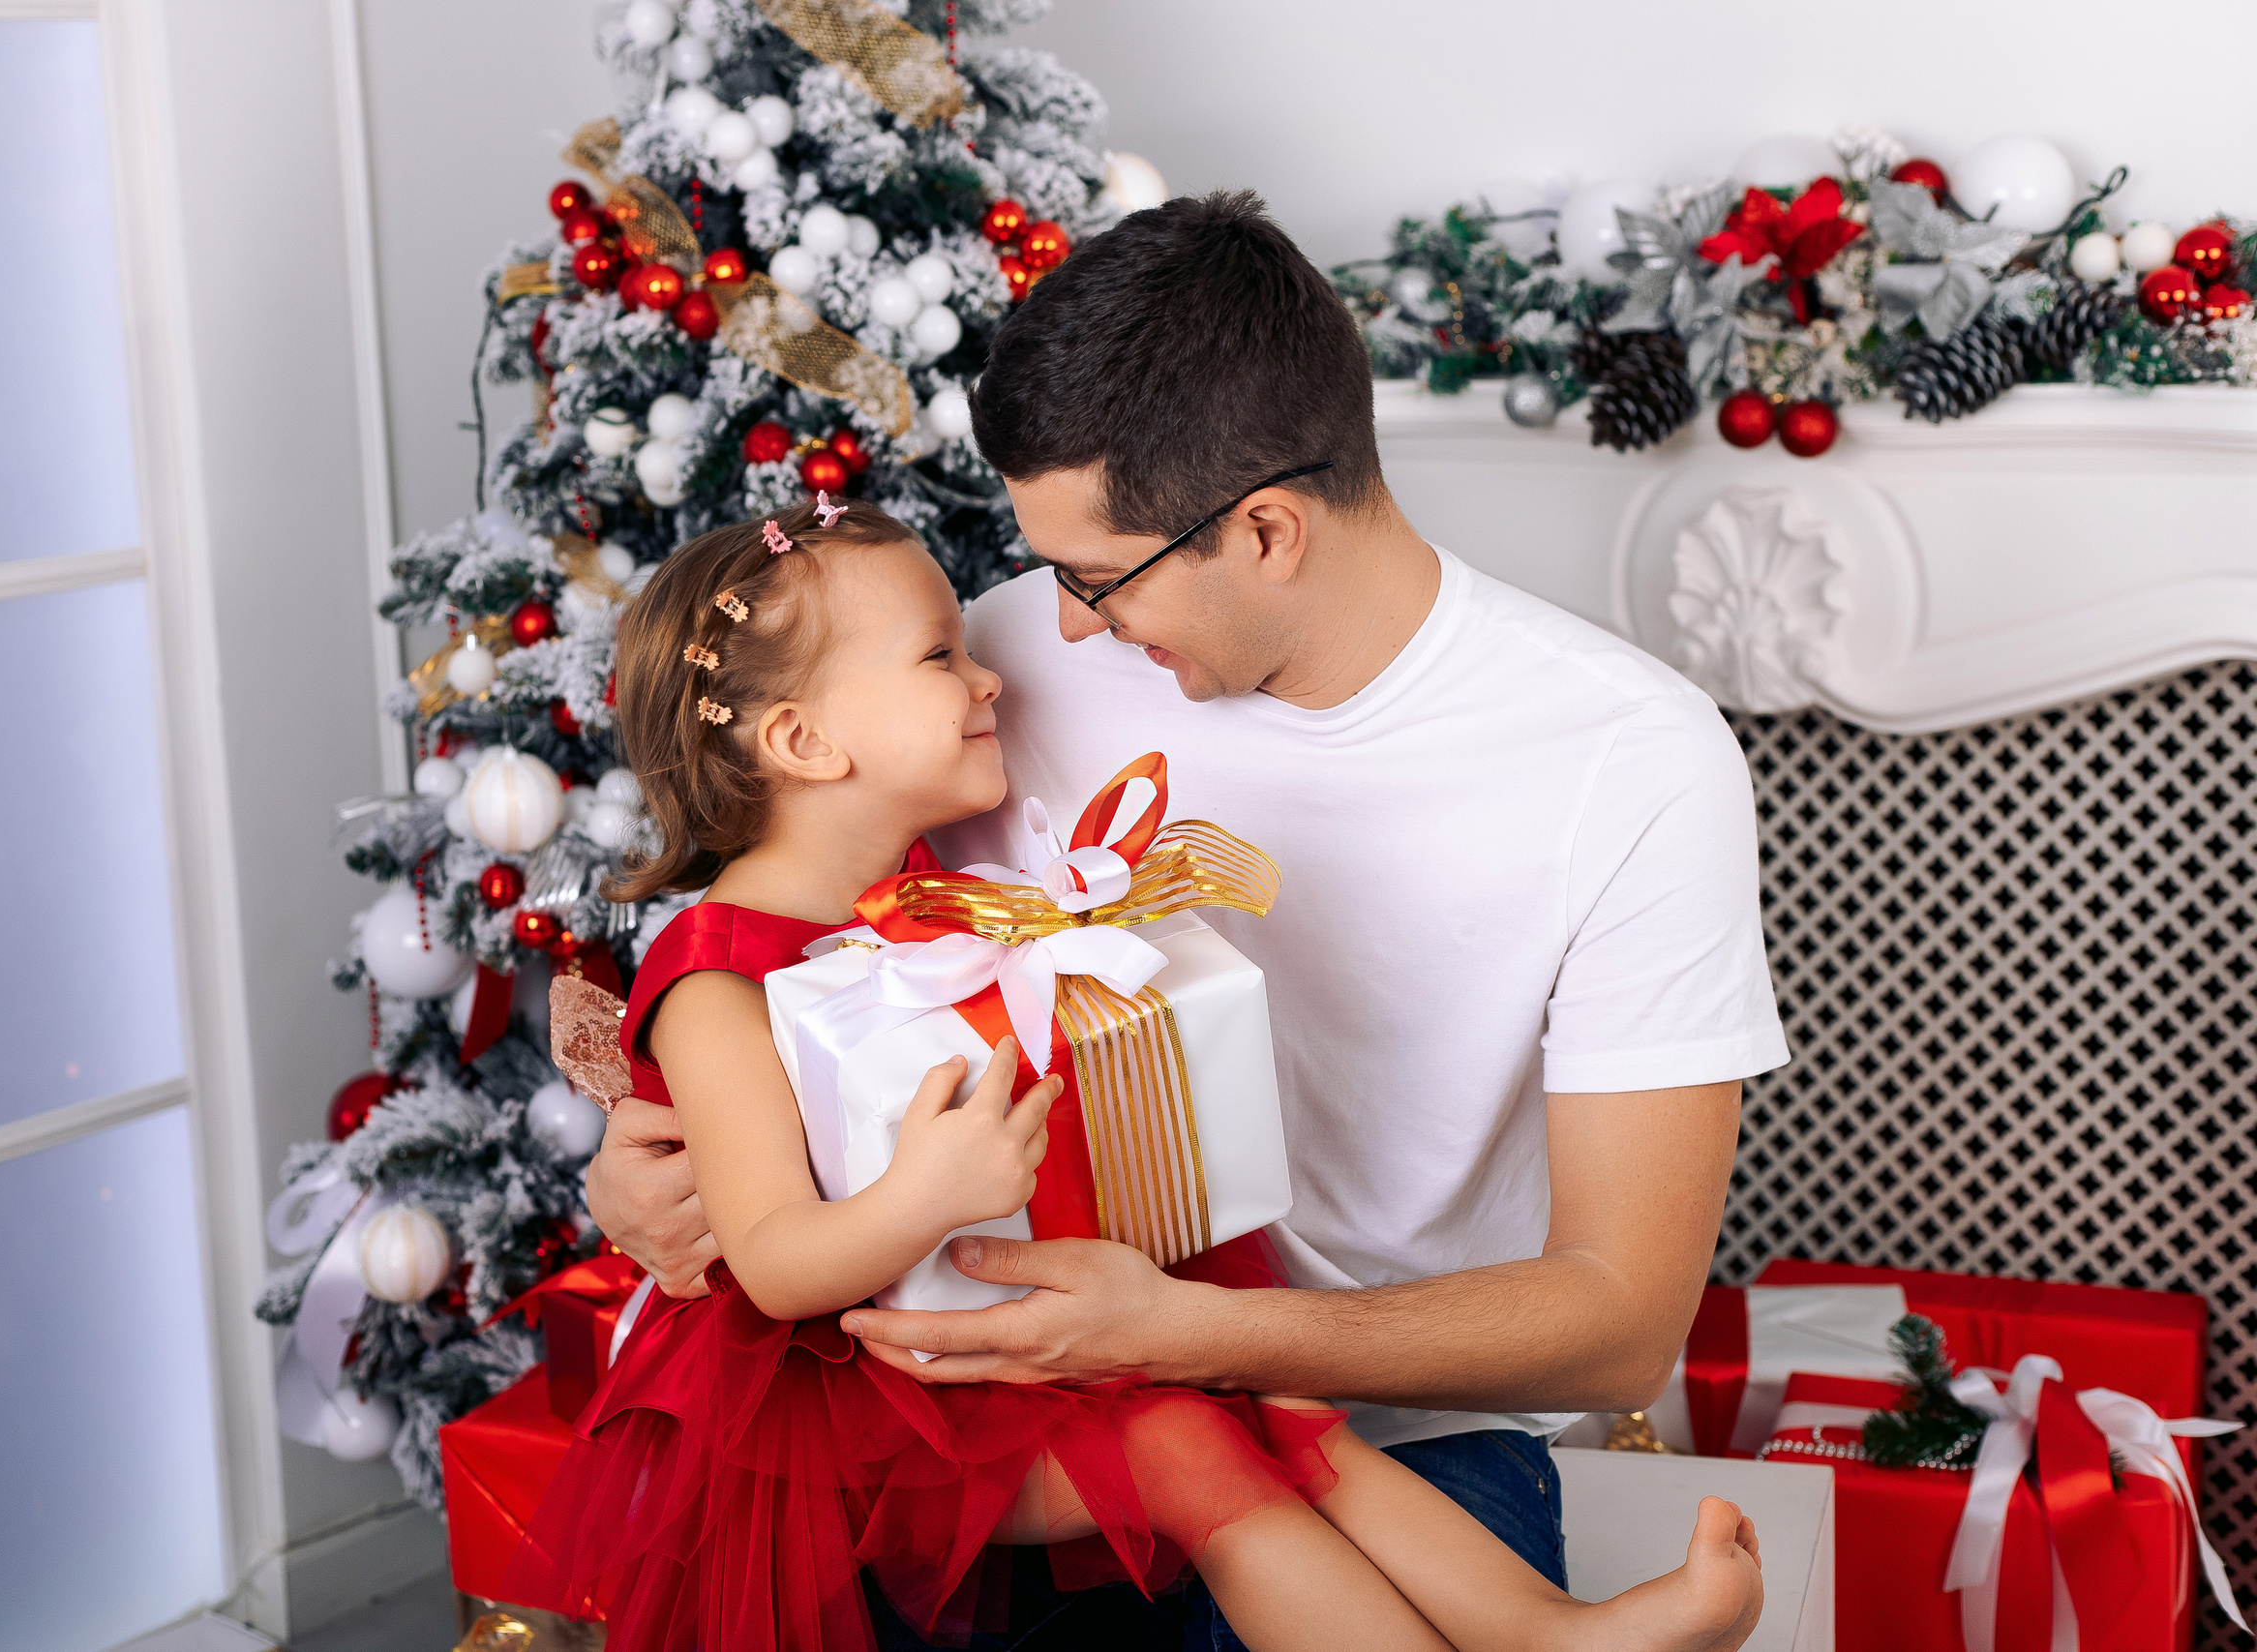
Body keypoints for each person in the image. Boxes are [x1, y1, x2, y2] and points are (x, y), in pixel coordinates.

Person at [587, 192, 1792, 1646]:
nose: (1058, 630)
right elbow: (770, 940)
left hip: (1384, 1433)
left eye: (1095, 579)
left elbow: (1626, 1320)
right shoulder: (994, 665)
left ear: (1268, 531)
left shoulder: (1631, 759)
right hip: (986, 1391)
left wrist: (1195, 1340)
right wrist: (641, 1150)